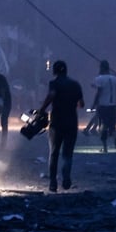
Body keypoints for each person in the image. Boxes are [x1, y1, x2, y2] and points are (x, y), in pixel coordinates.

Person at [38, 60, 84, 192]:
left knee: (54, 152)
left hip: (57, 122)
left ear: (55, 71)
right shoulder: (75, 84)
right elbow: (81, 104)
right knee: (67, 153)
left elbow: (51, 95)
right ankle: (66, 179)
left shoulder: (54, 83)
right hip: (71, 122)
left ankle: (53, 182)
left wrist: (42, 109)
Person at [92, 60, 116, 153]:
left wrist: (94, 104)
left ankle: (105, 148)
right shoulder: (115, 79)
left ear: (101, 68)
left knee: (103, 126)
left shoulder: (99, 79)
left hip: (103, 105)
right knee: (112, 125)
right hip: (113, 105)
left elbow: (99, 92)